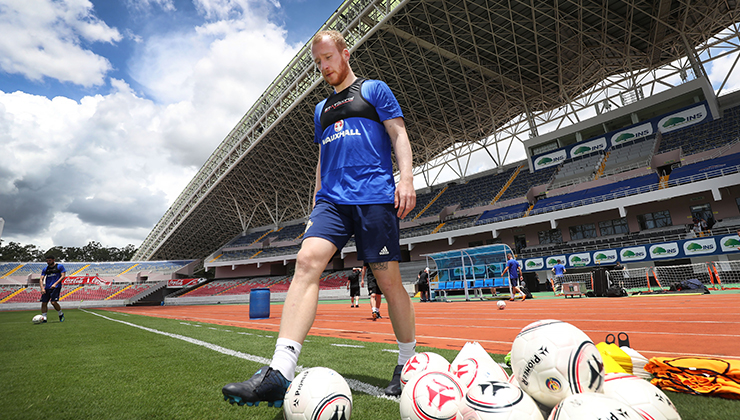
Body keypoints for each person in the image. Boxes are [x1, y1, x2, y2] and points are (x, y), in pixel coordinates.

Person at [222, 30, 417, 406]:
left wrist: (405, 179)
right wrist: (316, 202)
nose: (324, 67)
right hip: (331, 201)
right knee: (306, 262)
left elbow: (399, 134)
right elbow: (321, 162)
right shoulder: (320, 110)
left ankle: (406, 362)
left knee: (388, 280)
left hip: (374, 197)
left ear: (345, 53)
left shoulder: (373, 90)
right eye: (318, 63)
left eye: (328, 58)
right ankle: (279, 372)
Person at [39, 255, 65, 322]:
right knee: (44, 303)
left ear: (53, 260)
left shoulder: (59, 266)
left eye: (49, 260)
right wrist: (42, 288)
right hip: (47, 288)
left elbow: (63, 276)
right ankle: (44, 318)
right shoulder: (45, 269)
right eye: (47, 261)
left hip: (56, 287)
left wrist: (55, 284)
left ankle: (60, 314)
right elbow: (41, 279)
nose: (48, 262)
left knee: (53, 302)